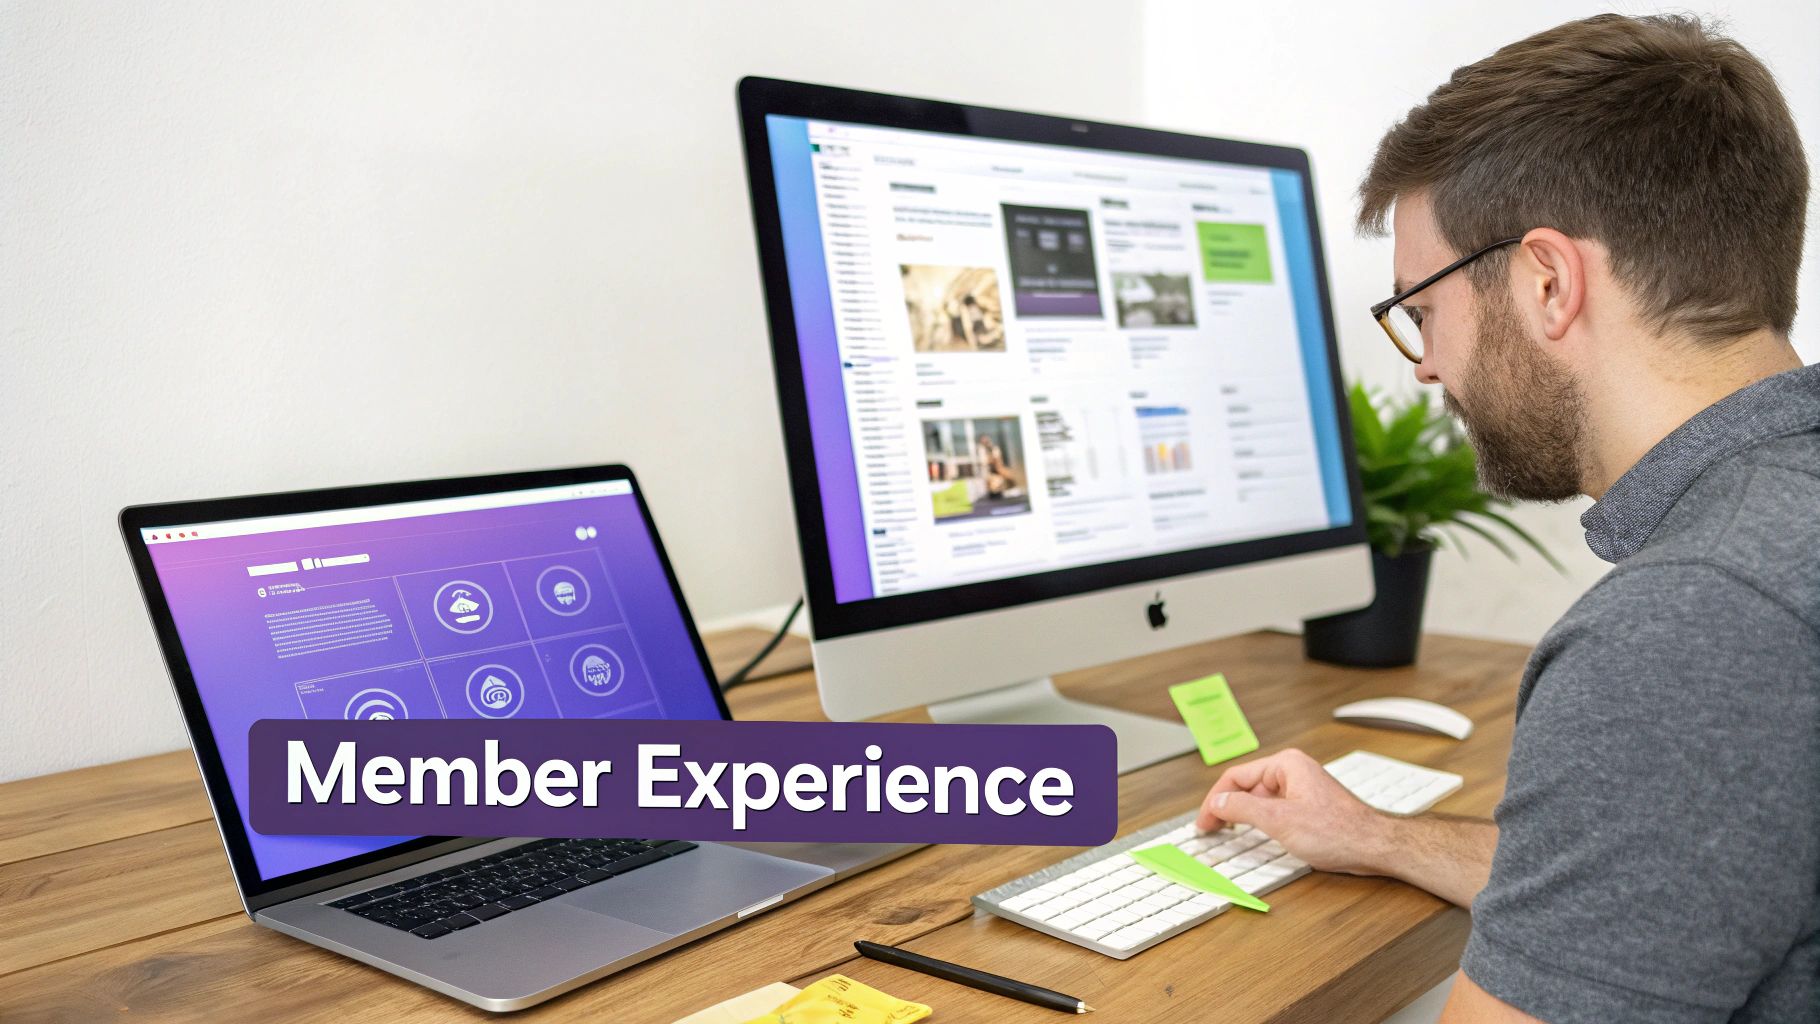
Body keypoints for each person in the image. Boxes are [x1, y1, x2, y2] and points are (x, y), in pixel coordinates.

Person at [1195, 15, 1817, 1023]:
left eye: (1422, 309)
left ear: (1546, 281)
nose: (1427, 364)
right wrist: (1381, 836)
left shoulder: (1694, 621)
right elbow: (1667, 889)